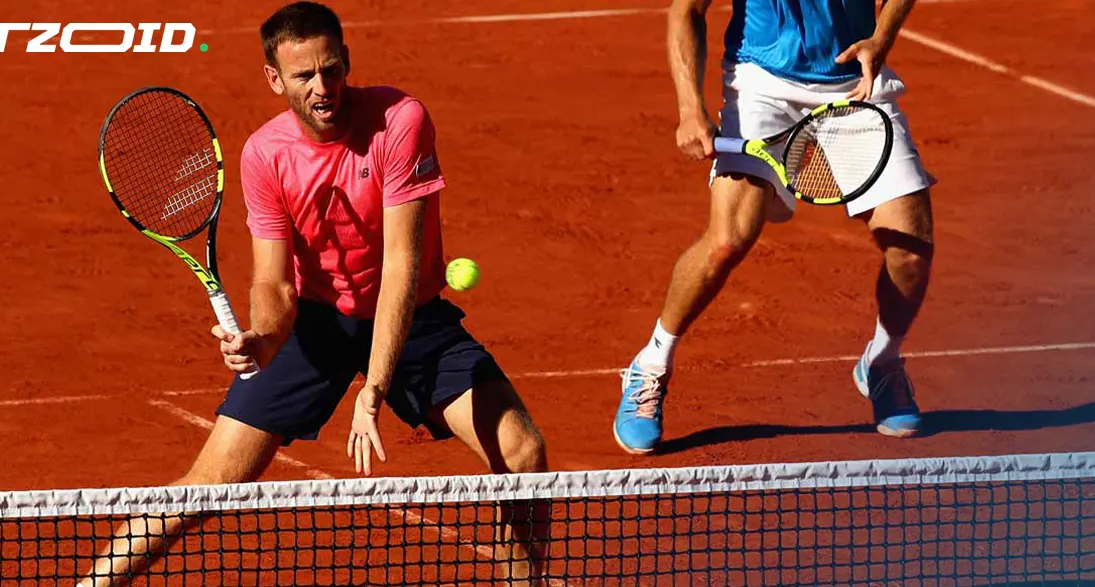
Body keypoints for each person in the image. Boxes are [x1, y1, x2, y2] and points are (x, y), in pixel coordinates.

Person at [79, 2, 546, 583]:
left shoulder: (400, 120)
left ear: (346, 62)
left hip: (410, 319)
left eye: (331, 70)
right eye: (304, 76)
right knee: (209, 483)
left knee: (523, 455)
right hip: (317, 326)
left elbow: (400, 262)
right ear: (275, 79)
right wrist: (262, 338)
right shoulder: (264, 155)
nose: (322, 87)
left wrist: (374, 388)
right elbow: (273, 282)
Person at [615, 0, 936, 454]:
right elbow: (685, 10)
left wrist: (881, 39)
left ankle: (882, 362)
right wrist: (690, 108)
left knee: (911, 248)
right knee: (728, 239)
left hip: (854, 83)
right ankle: (651, 364)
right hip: (760, 82)